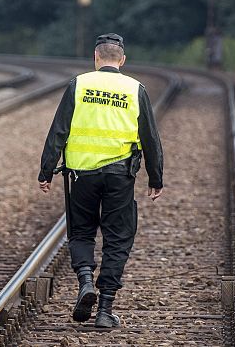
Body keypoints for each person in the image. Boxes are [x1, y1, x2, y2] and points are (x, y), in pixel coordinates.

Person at [38, 33, 164, 328]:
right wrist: (156, 178)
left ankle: (85, 281)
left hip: (81, 176)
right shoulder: (136, 89)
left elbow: (58, 131)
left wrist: (46, 171)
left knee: (81, 232)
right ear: (122, 60)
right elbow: (151, 139)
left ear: (96, 58)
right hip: (120, 177)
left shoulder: (78, 84)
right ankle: (105, 309)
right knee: (118, 237)